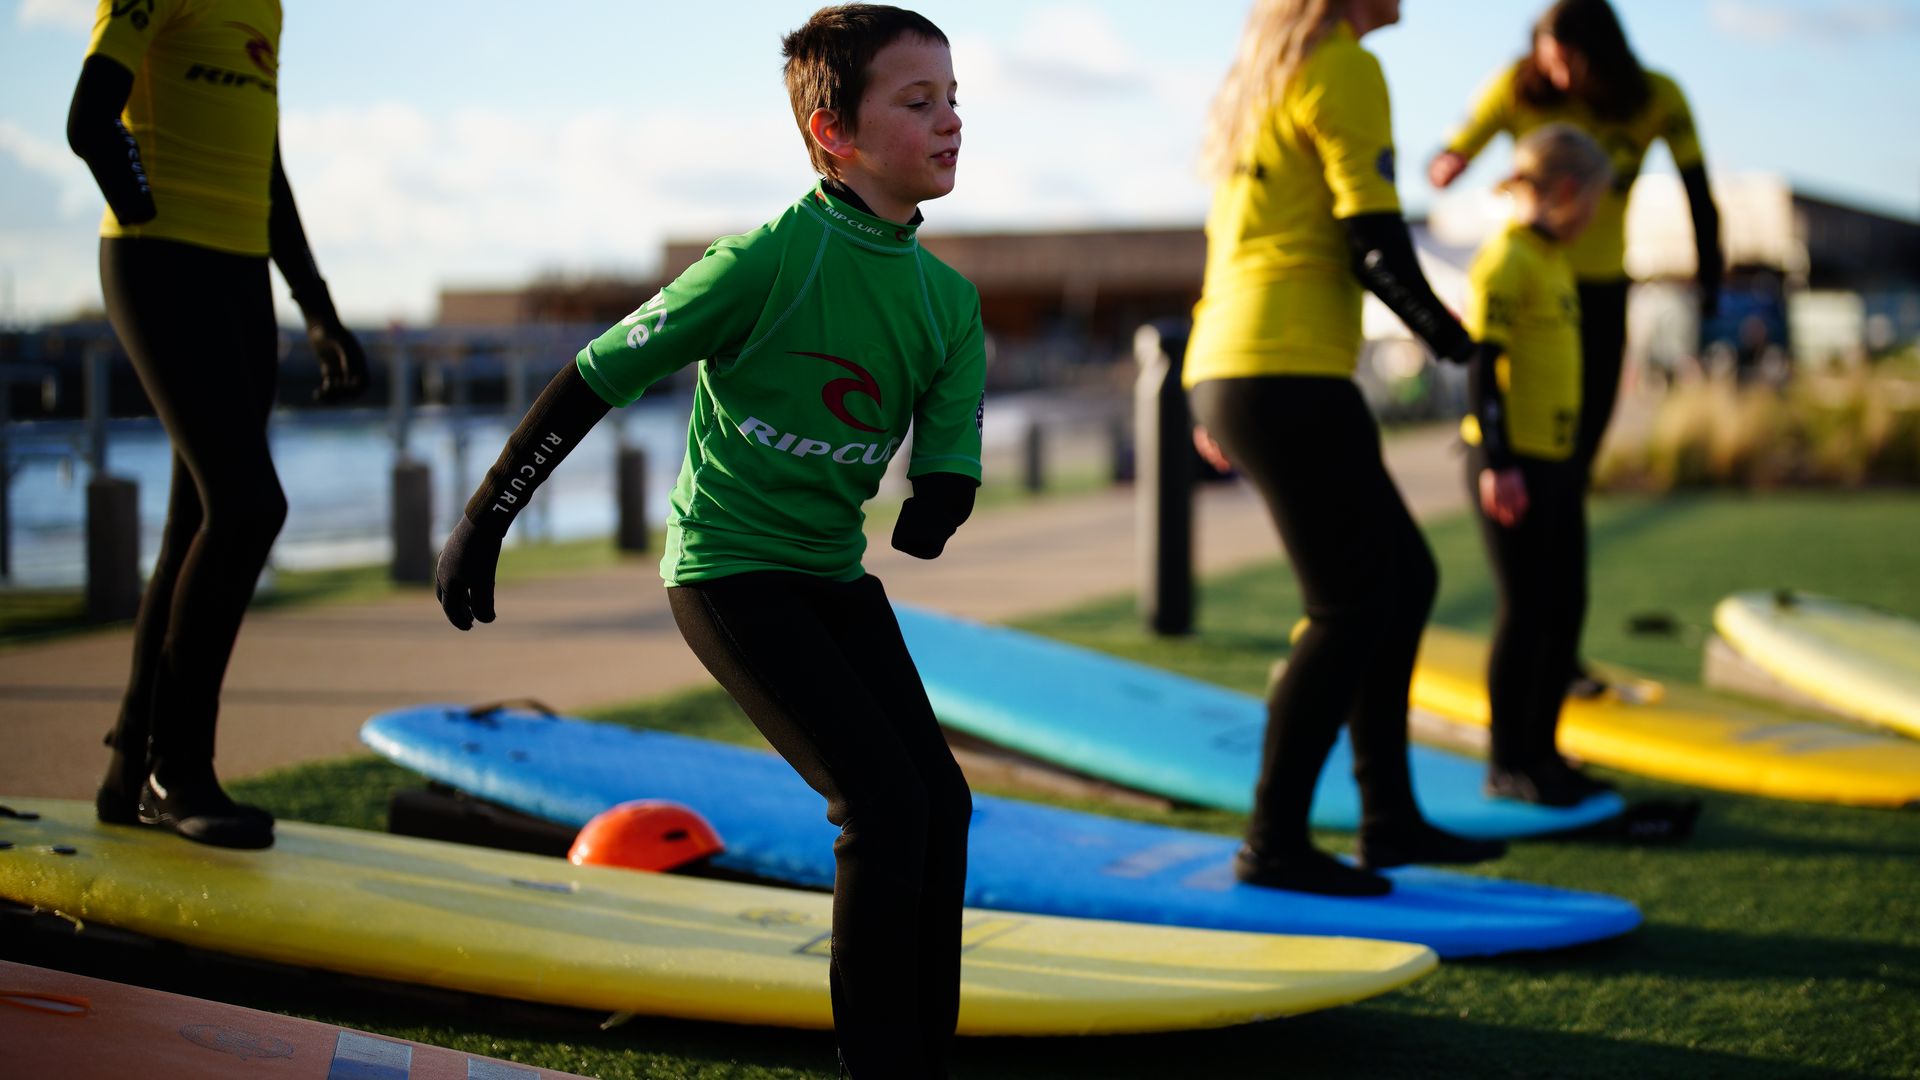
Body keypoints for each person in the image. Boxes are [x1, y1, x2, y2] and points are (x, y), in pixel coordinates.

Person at [433, 7, 982, 1075]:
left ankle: (924, 1054)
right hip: (728, 570)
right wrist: (487, 514)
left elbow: (949, 443)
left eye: (955, 99)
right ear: (834, 133)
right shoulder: (763, 262)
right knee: (876, 800)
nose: (951, 121)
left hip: (827, 574)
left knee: (939, 804)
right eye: (919, 103)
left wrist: (941, 498)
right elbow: (598, 373)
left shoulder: (946, 298)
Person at [1186, 0, 1507, 897]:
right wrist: (1456, 341)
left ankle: (1387, 820)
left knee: (1402, 580)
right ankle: (1274, 840)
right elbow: (1373, 241)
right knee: (1351, 604)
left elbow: (1232, 250)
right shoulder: (1345, 65)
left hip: (1247, 365)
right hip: (1281, 367)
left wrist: (1200, 390)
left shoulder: (1266, 77)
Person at [71, 0, 367, 850]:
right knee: (247, 506)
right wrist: (148, 217)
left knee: (198, 519)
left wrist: (316, 309)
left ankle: (131, 771)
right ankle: (178, 772)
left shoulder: (265, 7)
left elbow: (265, 167)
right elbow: (90, 120)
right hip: (161, 264)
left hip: (243, 281)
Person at [1430, 0, 1721, 696]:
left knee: (1571, 472)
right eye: (1546, 57)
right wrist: (1449, 160)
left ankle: (1554, 643)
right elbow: (1459, 146)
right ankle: (1535, 635)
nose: (1554, 72)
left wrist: (1710, 282)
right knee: (1529, 475)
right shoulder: (1517, 87)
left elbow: (1698, 192)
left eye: (1568, 58)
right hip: (1532, 287)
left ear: (1600, 51)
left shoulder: (1657, 97)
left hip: (1597, 292)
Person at [1460, 124, 1615, 806]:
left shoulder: (1556, 261)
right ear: (1570, 192)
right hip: (1511, 462)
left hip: (1555, 461)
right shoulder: (1506, 260)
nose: (1595, 219)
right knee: (1524, 610)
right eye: (1595, 204)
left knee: (1565, 606)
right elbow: (1479, 367)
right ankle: (1508, 762)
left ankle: (1545, 753)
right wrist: (1499, 461)